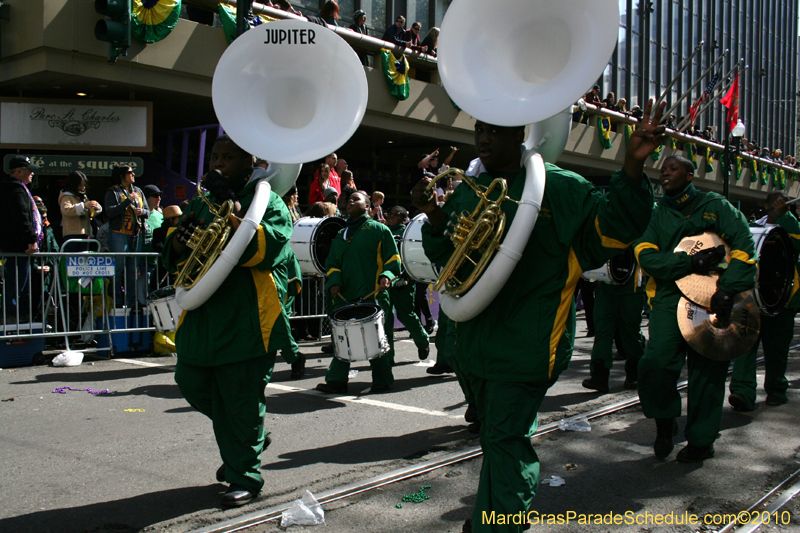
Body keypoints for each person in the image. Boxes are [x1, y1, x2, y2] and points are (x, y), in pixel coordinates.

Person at [412, 100, 662, 532]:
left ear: (519, 134)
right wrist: (434, 215)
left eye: (495, 130)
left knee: (507, 439)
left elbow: (615, 228)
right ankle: (488, 517)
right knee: (495, 437)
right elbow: (447, 257)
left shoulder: (562, 188)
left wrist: (632, 169)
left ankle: (501, 526)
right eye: (479, 130)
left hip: (527, 343)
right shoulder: (473, 187)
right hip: (474, 343)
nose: (484, 138)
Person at [163, 134, 297, 507]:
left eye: (228, 157)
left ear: (248, 161)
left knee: (239, 398)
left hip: (247, 315)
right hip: (203, 314)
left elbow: (269, 248)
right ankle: (250, 438)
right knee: (190, 381)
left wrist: (232, 214)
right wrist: (177, 242)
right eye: (215, 156)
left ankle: (245, 477)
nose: (218, 163)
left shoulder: (267, 200)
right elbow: (177, 247)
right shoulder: (203, 199)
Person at [634, 154, 756, 463]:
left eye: (673, 168)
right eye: (662, 169)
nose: (665, 173)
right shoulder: (656, 214)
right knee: (656, 363)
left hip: (712, 297)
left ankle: (701, 441)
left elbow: (744, 244)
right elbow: (645, 255)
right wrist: (687, 262)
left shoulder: (715, 205)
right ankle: (665, 422)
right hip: (668, 298)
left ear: (690, 175)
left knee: (707, 370)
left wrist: (728, 290)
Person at [315, 191, 401, 395]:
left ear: (368, 206)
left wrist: (387, 275)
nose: (351, 201)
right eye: (349, 199)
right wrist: (334, 282)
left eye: (357, 199)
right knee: (342, 338)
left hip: (374, 295)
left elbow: (393, 259)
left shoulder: (379, 230)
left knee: (376, 338)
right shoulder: (340, 234)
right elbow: (333, 262)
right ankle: (336, 380)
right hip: (345, 296)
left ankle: (382, 379)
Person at [728, 191, 800, 410]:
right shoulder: (751, 226)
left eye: (784, 202)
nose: (780, 204)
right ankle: (742, 391)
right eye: (775, 201)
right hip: (751, 299)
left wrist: (785, 217)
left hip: (781, 300)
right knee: (744, 346)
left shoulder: (793, 226)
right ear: (766, 204)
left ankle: (776, 389)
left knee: (777, 350)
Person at [582, 252, 646, 392]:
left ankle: (634, 373)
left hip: (630, 285)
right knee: (604, 332)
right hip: (609, 285)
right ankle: (600, 376)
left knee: (629, 332)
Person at [0, 156, 43, 321]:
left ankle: (16, 315)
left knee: (20, 283)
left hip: (16, 244)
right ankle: (10, 316)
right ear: (18, 171)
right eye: (29, 170)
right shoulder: (15, 190)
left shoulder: (15, 188)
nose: (32, 173)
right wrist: (31, 239)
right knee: (16, 283)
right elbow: (21, 217)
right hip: (18, 246)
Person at [385, 205, 430, 360]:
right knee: (386, 319)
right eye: (389, 213)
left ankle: (423, 340)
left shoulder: (406, 232)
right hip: (385, 281)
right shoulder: (385, 231)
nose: (391, 216)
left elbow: (410, 256)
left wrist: (405, 277)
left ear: (404, 219)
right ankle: (387, 357)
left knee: (406, 315)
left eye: (395, 214)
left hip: (403, 281)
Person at [105, 164, 149, 309]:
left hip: (136, 235)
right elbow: (110, 212)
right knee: (117, 270)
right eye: (130, 173)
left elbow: (148, 211)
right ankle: (117, 301)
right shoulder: (113, 191)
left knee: (132, 271)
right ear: (122, 175)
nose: (133, 175)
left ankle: (132, 303)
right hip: (119, 234)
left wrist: (141, 211)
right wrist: (127, 201)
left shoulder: (138, 191)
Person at [59, 171, 103, 252]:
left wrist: (95, 208)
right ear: (73, 184)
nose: (83, 188)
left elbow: (89, 214)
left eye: (84, 185)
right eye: (80, 185)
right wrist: (84, 206)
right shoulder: (66, 196)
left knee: (82, 258)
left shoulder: (83, 196)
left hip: (84, 232)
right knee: (72, 259)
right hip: (71, 234)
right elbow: (66, 210)